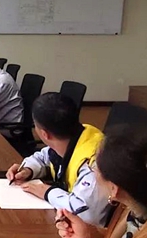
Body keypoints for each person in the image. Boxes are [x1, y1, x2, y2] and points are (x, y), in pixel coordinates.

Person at [6, 93, 110, 226]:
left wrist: (47, 192)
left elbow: (85, 212)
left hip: (94, 232)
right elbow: (44, 156)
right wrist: (28, 169)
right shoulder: (75, 135)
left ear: (44, 134)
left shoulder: (93, 164)